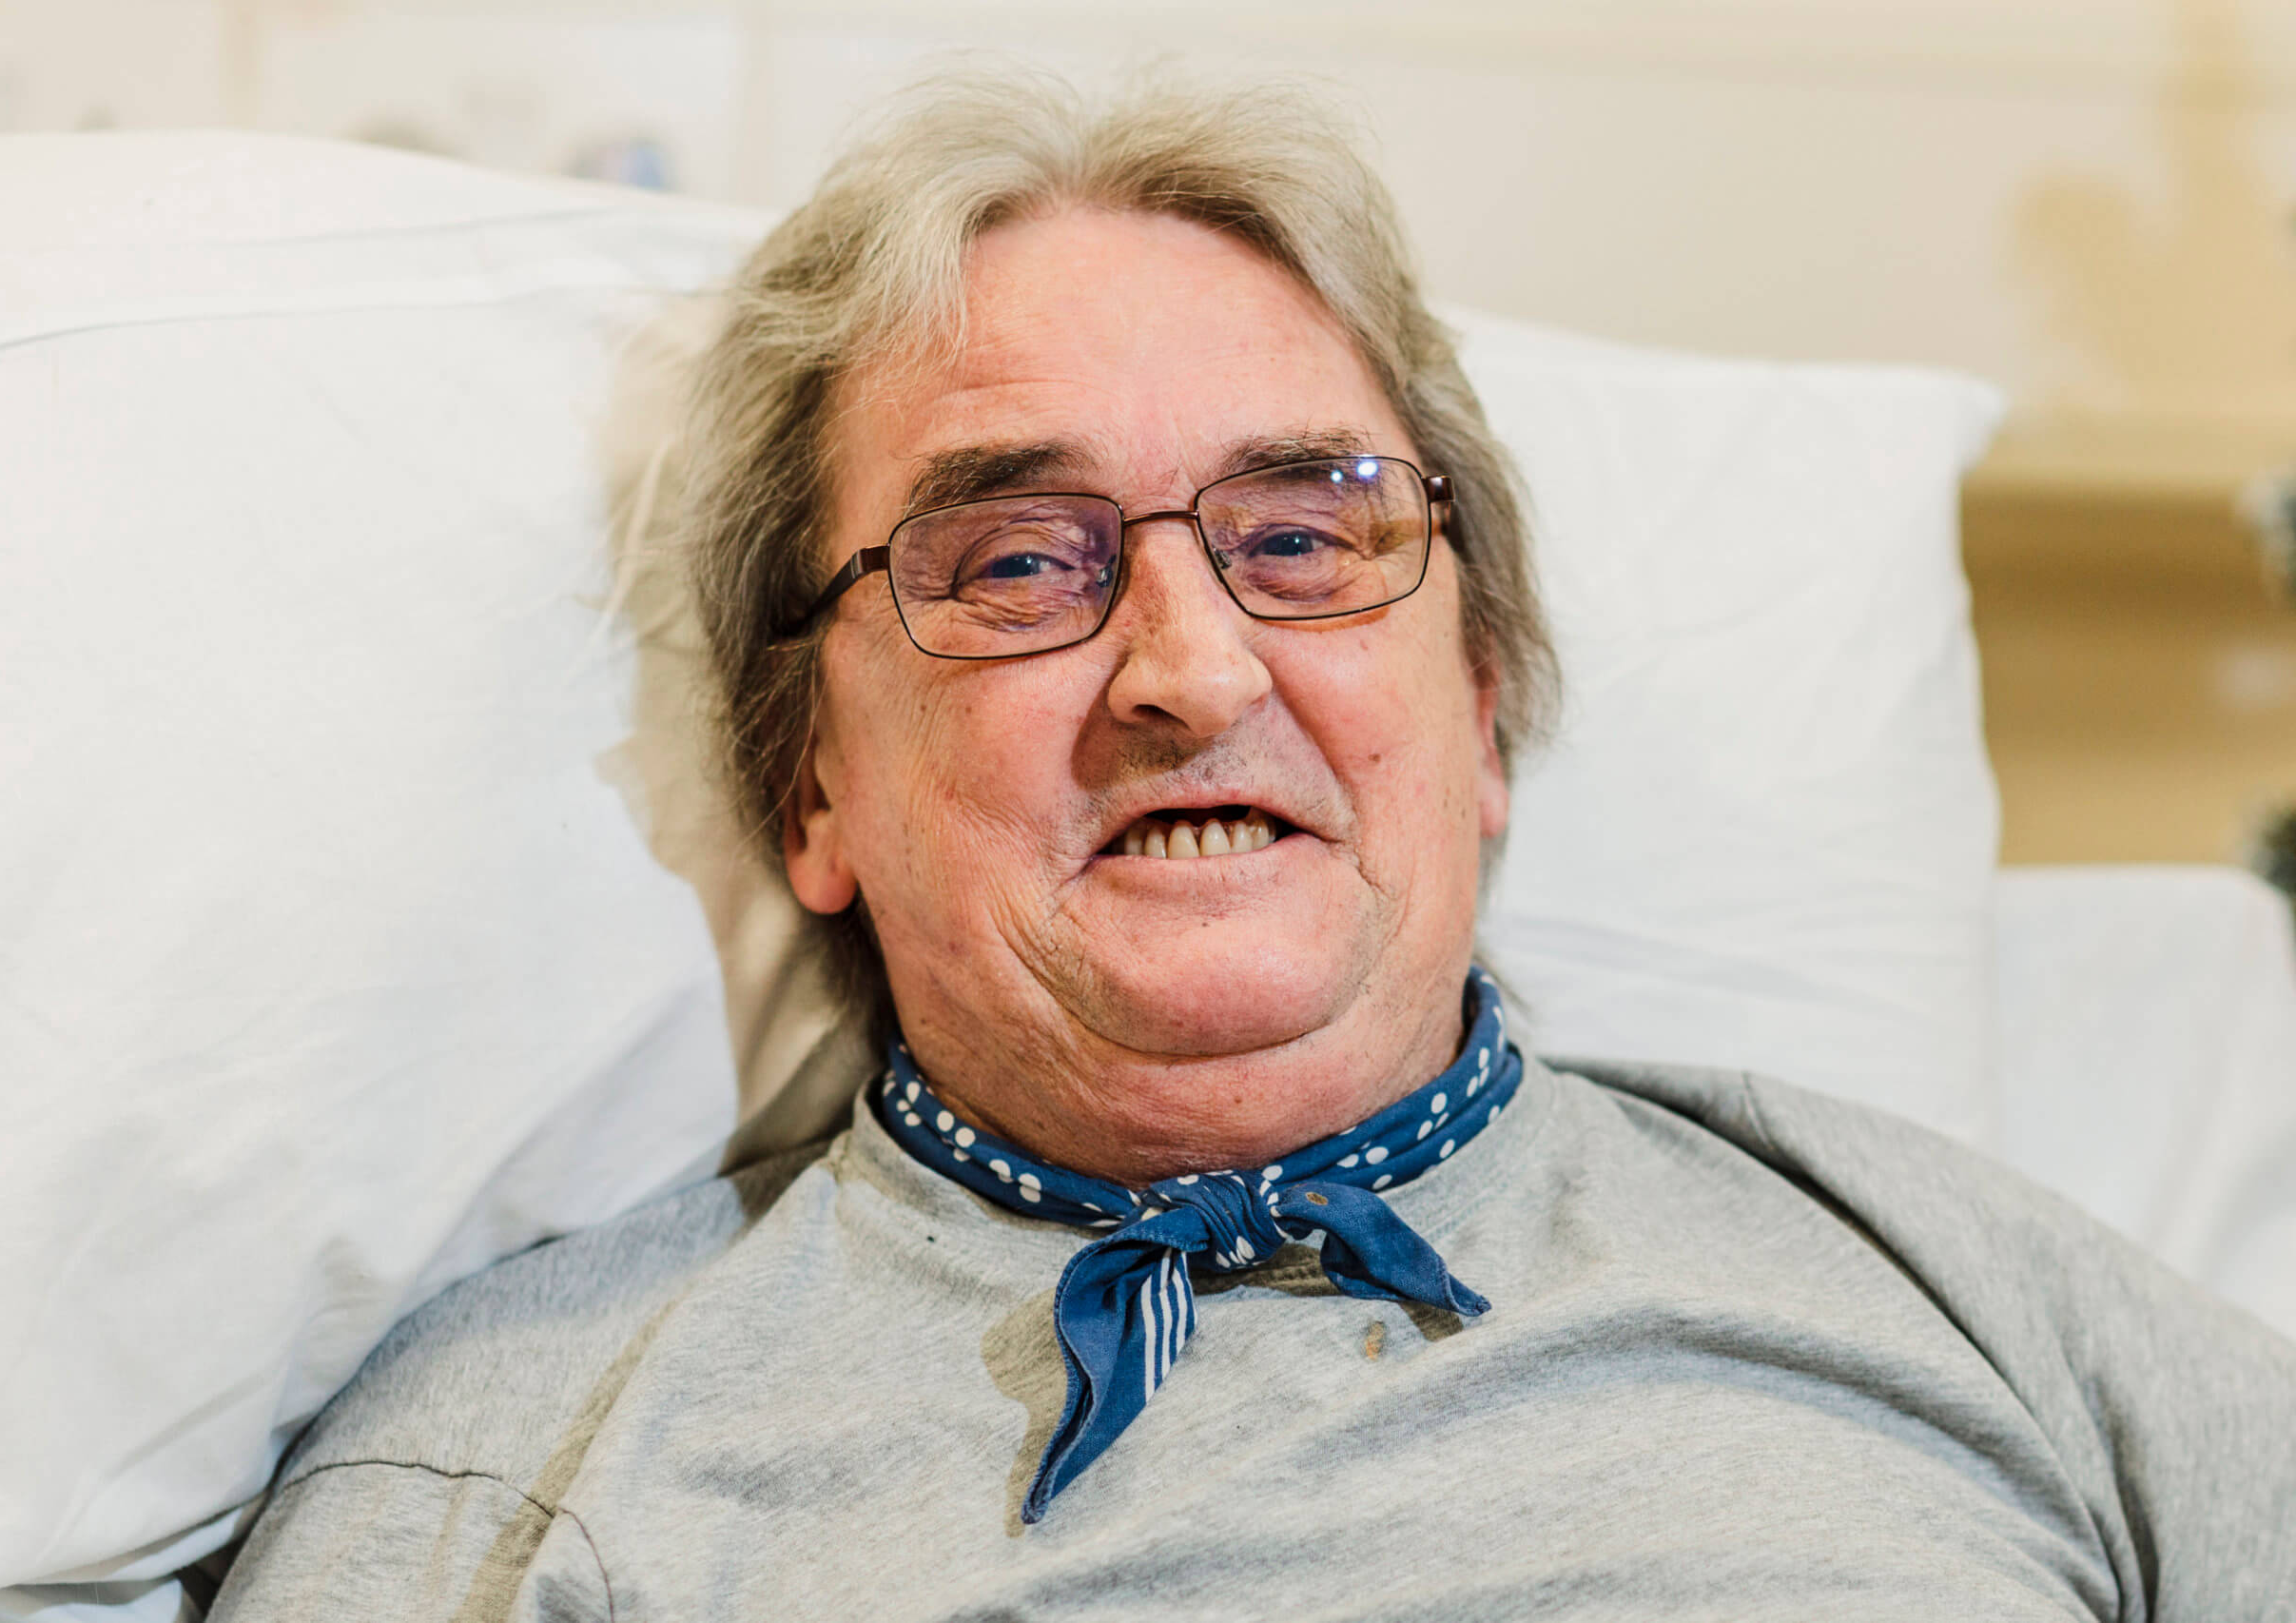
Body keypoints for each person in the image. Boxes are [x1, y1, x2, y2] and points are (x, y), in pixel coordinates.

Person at [212, 71, 2296, 1619]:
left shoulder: (1938, 1281)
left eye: (1303, 536)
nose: (1190, 670)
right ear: (809, 786)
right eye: (1018, 561)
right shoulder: (520, 1472)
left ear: (1479, 707)